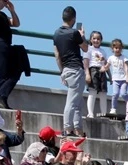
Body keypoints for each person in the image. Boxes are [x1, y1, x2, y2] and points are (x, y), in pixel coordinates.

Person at [53, 6, 88, 137]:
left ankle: (78, 129)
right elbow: (85, 48)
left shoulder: (56, 34)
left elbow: (57, 55)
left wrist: (62, 71)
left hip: (66, 70)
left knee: (78, 102)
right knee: (72, 103)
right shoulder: (74, 33)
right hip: (76, 69)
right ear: (73, 19)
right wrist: (82, 36)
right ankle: (68, 129)